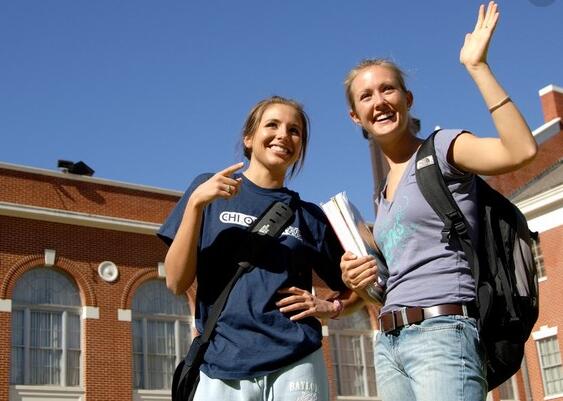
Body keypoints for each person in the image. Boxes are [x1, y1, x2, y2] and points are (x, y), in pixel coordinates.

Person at [339, 2, 537, 401]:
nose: (379, 101)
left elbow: (521, 150)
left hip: (444, 332)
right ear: (355, 116)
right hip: (389, 343)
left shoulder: (442, 149)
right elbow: (398, 276)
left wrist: (478, 67)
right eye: (366, 96)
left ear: (407, 98)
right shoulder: (381, 195)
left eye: (388, 89)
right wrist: (360, 281)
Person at [158, 96, 361, 401]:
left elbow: (360, 287)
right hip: (221, 364)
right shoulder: (208, 190)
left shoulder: (309, 216)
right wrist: (196, 204)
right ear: (249, 138)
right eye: (272, 125)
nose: (283, 135)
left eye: (294, 131)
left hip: (297, 362)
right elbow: (175, 282)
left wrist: (332, 307)